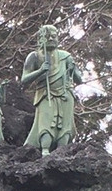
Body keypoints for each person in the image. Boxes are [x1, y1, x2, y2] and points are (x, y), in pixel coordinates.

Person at [20, 25, 82, 155]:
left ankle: (62, 150)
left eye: (54, 36)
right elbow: (24, 79)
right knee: (46, 123)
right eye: (48, 36)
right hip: (45, 94)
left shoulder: (65, 56)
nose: (52, 38)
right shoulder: (35, 56)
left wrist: (72, 70)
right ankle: (45, 149)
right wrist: (40, 71)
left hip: (65, 94)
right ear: (41, 38)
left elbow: (79, 79)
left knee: (65, 124)